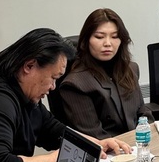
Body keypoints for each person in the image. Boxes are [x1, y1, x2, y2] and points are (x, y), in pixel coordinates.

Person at [0, 28, 130, 162]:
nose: (53, 87)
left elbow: (51, 129)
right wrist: (57, 159)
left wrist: (93, 145)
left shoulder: (21, 90)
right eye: (53, 78)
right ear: (29, 66)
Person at [59, 8, 153, 138]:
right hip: (108, 147)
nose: (108, 43)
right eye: (99, 37)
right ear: (86, 41)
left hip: (140, 143)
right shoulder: (75, 84)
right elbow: (94, 135)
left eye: (114, 37)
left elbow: (143, 113)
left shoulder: (131, 69)